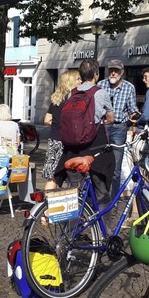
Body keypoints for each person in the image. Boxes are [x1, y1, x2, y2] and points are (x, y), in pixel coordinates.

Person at [55, 59, 114, 202]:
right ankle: (101, 222)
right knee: (101, 190)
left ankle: (74, 222)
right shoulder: (100, 93)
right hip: (94, 147)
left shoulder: (72, 94)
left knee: (74, 189)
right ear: (96, 74)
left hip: (71, 148)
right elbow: (111, 117)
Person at [97, 59, 140, 195]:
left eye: (116, 70)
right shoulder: (101, 85)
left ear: (122, 72)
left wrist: (135, 117)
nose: (113, 73)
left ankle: (113, 202)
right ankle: (99, 198)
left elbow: (132, 108)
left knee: (115, 169)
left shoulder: (129, 87)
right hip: (102, 128)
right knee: (98, 165)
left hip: (119, 128)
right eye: (111, 70)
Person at [43, 70, 81, 190]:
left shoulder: (57, 98)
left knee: (52, 176)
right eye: (78, 79)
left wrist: (56, 124)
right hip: (66, 142)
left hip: (53, 140)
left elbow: (47, 119)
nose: (81, 81)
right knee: (73, 177)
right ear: (71, 82)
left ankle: (45, 206)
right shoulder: (73, 100)